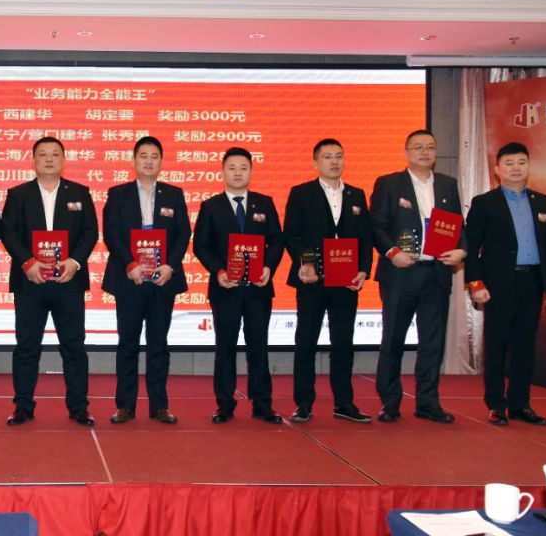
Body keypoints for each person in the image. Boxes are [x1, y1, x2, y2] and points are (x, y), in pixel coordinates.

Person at [370, 130, 466, 424]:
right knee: (393, 340)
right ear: (406, 152)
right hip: (400, 273)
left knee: (432, 343)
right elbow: (375, 226)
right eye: (418, 147)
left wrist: (461, 250)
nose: (425, 152)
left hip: (436, 273)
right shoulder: (389, 184)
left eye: (430, 147)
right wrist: (392, 253)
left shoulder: (448, 184)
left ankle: (428, 402)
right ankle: (390, 402)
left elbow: (458, 225)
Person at [1, 136, 98, 426]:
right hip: (30, 283)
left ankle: (79, 407)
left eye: (55, 154)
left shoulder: (79, 193)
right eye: (42, 154)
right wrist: (27, 262)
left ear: (63, 160)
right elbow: (8, 232)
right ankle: (23, 407)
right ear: (33, 160)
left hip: (69, 282)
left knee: (74, 346)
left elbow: (90, 232)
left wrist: (75, 261)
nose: (49, 159)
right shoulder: (19, 194)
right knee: (26, 347)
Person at [465, 142, 546, 426]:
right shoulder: (485, 202)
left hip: (532, 282)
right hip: (497, 285)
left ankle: (520, 404)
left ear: (528, 166)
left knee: (524, 347)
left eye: (521, 162)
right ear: (498, 169)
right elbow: (470, 246)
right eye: (509, 163)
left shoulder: (541, 201)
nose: (515, 168)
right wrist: (476, 283)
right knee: (496, 346)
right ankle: (496, 405)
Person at [283, 138, 374, 424]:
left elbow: (365, 237)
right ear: (315, 162)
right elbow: (291, 233)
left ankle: (344, 403)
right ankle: (303, 403)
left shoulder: (357, 195)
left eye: (338, 156)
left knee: (343, 343)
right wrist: (304, 262)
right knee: (306, 341)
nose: (334, 161)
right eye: (327, 157)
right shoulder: (301, 193)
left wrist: (363, 270)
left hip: (346, 281)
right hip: (312, 279)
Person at [102, 136, 190, 425]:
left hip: (163, 279)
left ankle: (159, 406)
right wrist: (130, 264)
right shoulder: (118, 194)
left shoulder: (174, 195)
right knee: (127, 343)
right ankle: (125, 406)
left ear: (161, 162)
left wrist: (170, 266)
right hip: (129, 278)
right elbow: (111, 233)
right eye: (143, 156)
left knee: (158, 344)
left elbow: (183, 234)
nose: (149, 161)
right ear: (134, 160)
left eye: (154, 156)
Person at [193, 147, 284, 425]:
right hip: (226, 289)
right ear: (223, 171)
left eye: (243, 168)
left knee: (259, 346)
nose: (237, 173)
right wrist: (219, 271)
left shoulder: (264, 203)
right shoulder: (211, 206)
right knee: (225, 347)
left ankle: (262, 404)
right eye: (232, 167)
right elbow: (201, 246)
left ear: (251, 171)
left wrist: (268, 267)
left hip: (258, 288)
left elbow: (276, 241)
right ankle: (224, 404)